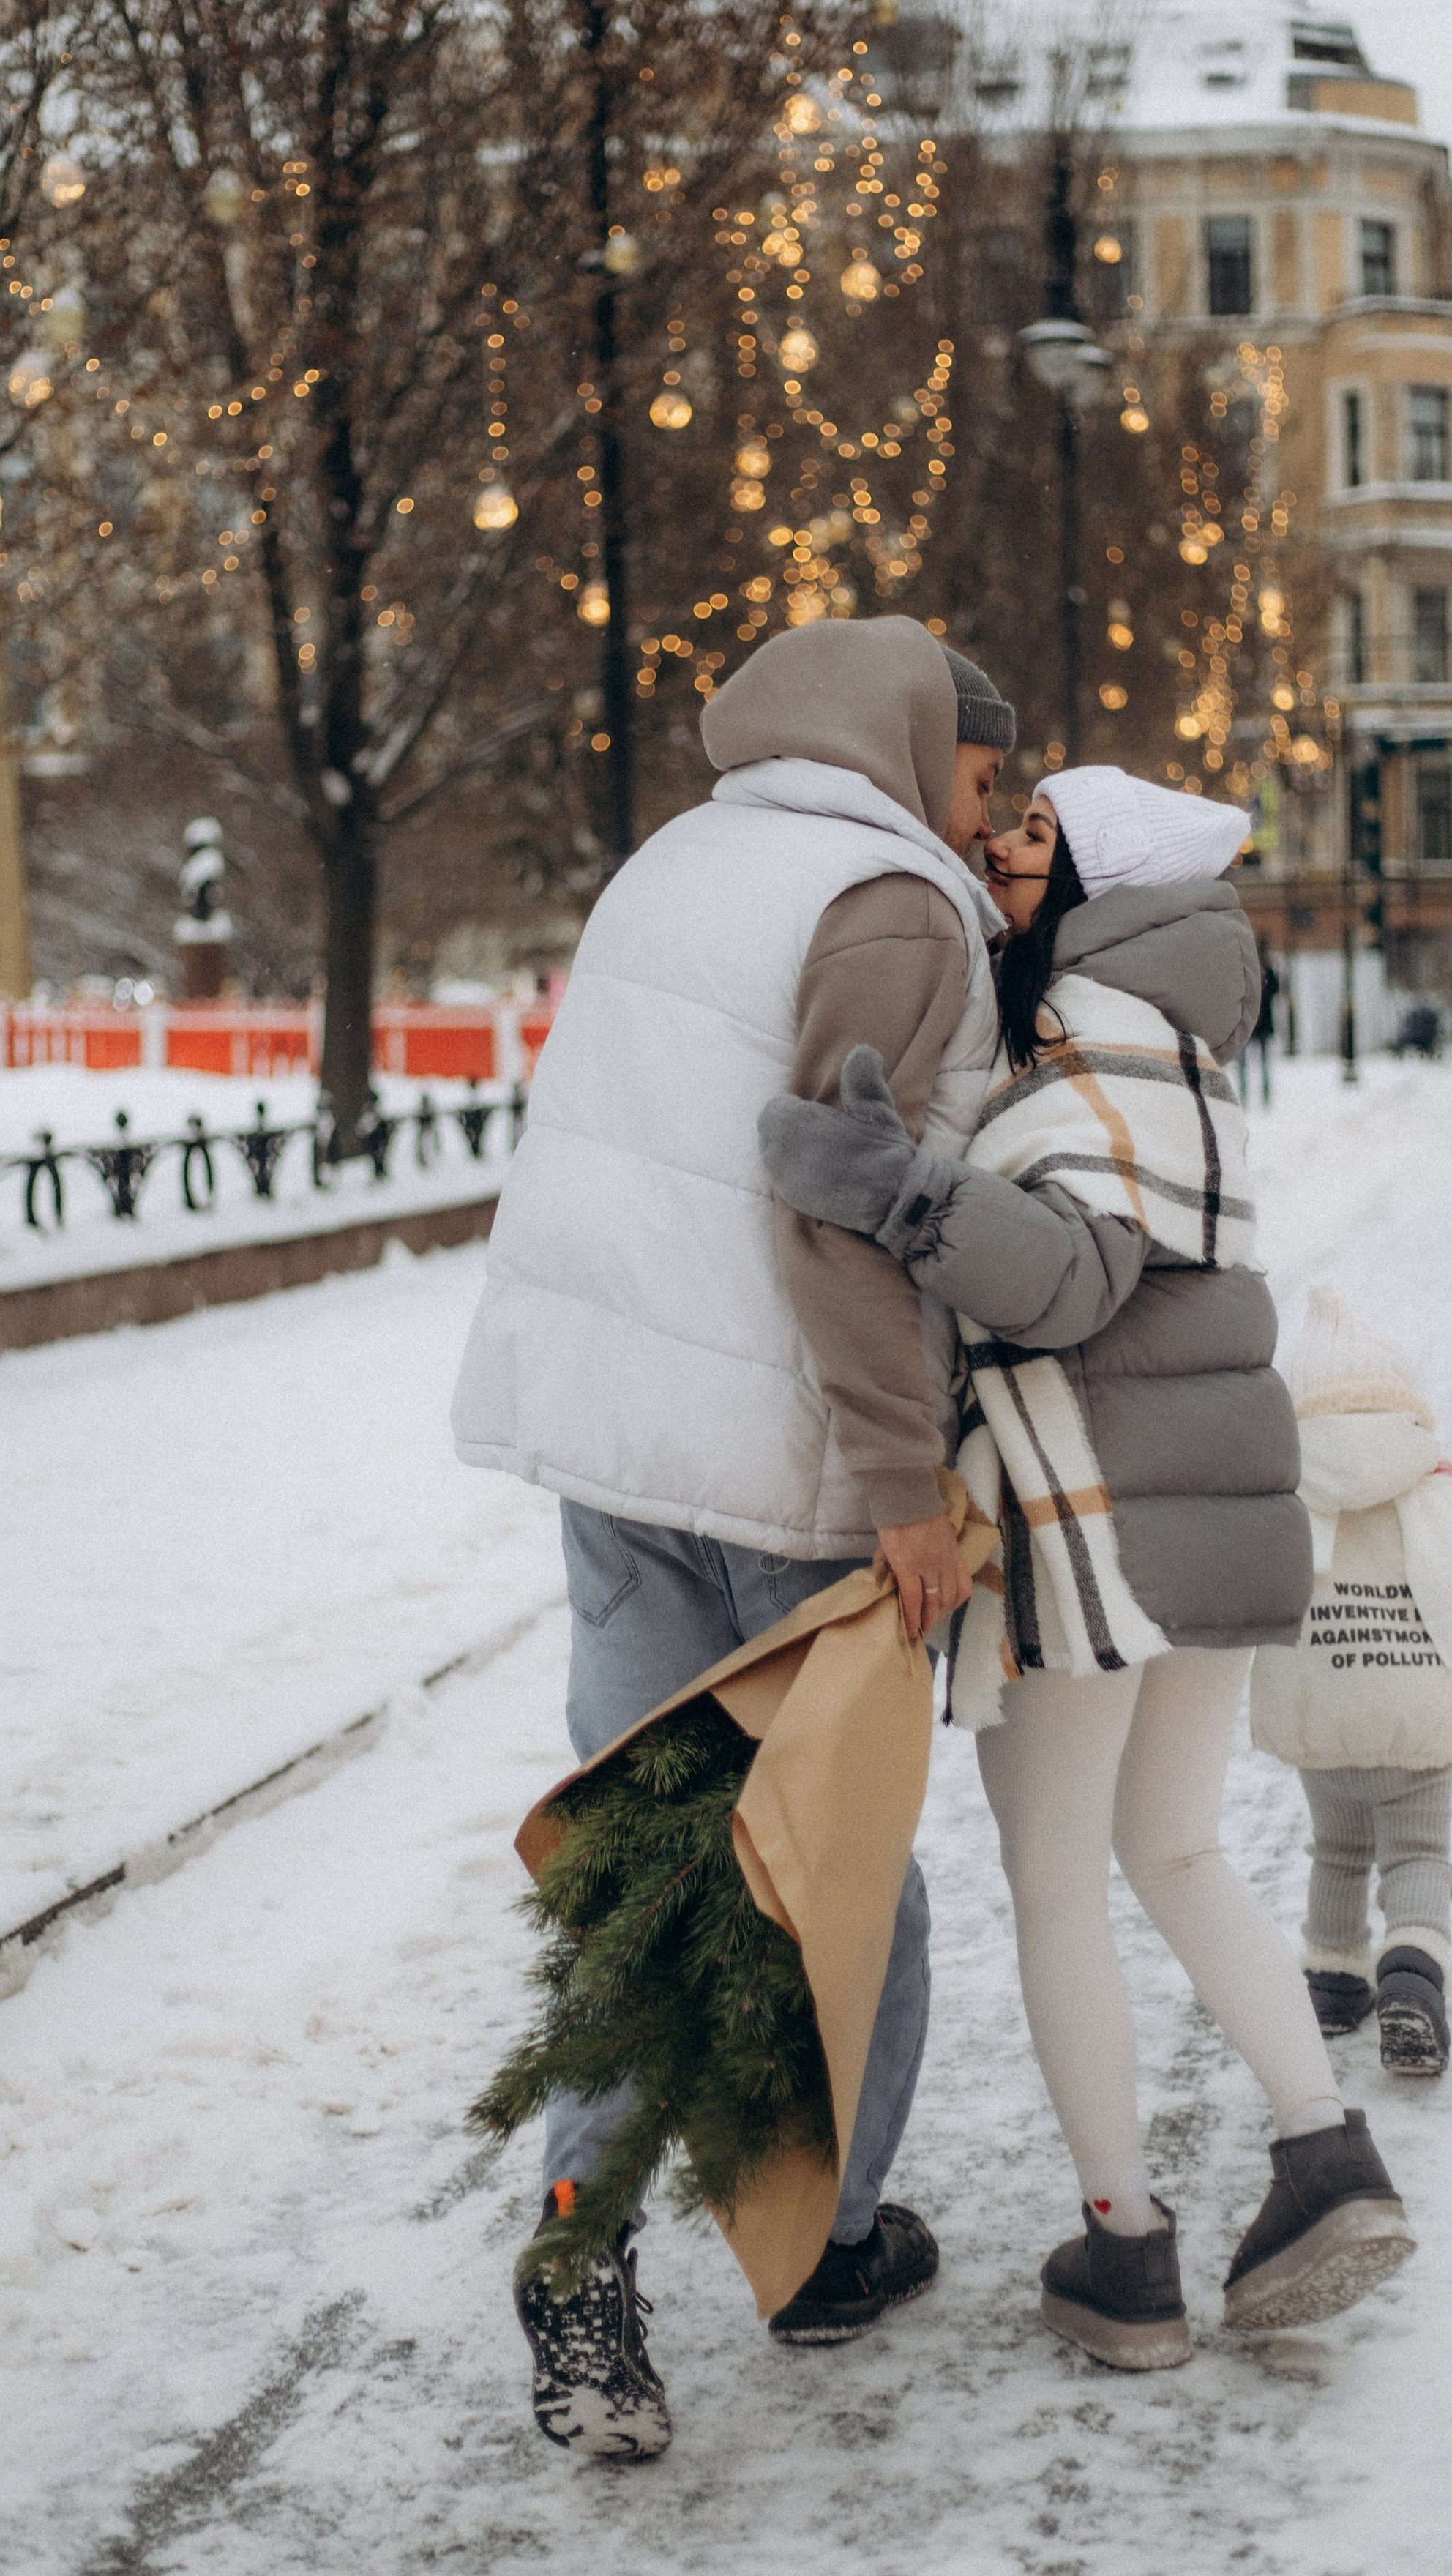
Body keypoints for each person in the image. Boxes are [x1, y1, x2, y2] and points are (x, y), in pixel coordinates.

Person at [760, 766, 1415, 2372]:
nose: (999, 849)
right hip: (1200, 1510)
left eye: (1036, 835)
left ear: (1103, 883)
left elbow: (1063, 1284)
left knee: (1061, 1880)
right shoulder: (1172, 1042)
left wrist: (902, 1193)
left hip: (1093, 1529)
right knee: (1176, 1852)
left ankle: (1123, 2254)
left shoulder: (1095, 1050)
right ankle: (1320, 2154)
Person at [452, 616, 1011, 2457]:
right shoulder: (889, 898)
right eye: (981, 767)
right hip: (781, 1463)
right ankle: (831, 2242)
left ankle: (578, 2255)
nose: (990, 808)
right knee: (840, 1869)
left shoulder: (671, 862)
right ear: (913, 741)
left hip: (613, 1453)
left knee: (641, 1861)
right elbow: (830, 1205)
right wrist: (902, 1487)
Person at [1251, 1288, 1452, 2077]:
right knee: (1414, 1855)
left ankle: (1333, 1984)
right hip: (1415, 1727)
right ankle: (1411, 1977)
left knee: (1336, 1850)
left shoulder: (1289, 1500)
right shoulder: (1441, 1494)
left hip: (1322, 1721)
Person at [1240, 944, 1280, 1106]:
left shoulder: (1265, 972)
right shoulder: (1245, 973)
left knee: (1262, 1064)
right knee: (1244, 1065)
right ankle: (1245, 1096)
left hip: (1259, 1025)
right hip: (1249, 1025)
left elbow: (1275, 990)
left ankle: (1265, 1096)